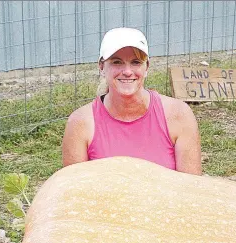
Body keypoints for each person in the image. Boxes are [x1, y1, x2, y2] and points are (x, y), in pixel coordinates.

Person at [62, 27, 202, 175]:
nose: (128, 72)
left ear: (146, 67)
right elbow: (74, 192)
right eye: (117, 62)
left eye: (136, 62)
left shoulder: (179, 115)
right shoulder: (80, 123)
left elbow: (191, 187)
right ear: (102, 67)